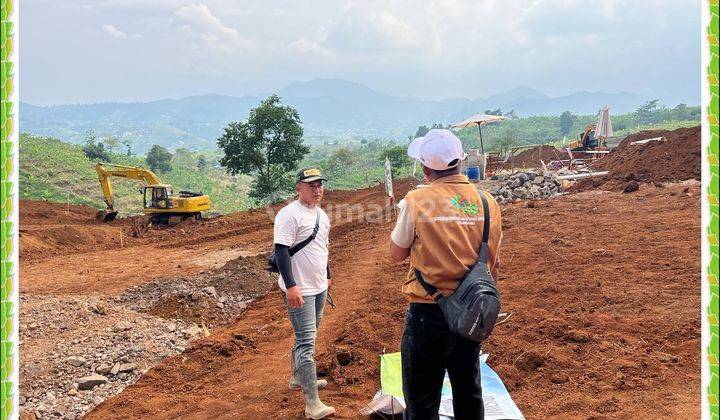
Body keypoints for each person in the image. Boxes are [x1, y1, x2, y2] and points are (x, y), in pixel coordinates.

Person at [389, 129, 503, 419]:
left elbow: (397, 253)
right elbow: (494, 262)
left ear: (426, 169)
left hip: (428, 313)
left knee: (422, 402)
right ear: (460, 162)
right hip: (473, 312)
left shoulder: (417, 201)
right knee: (469, 395)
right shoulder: (488, 202)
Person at [273, 167, 335, 419]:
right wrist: (291, 286)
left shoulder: (322, 215)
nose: (317, 189)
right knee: (307, 342)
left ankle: (298, 377)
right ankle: (312, 403)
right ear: (298, 188)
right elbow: (281, 251)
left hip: (318, 286)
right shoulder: (289, 215)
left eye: (320, 185)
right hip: (300, 289)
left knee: (306, 336)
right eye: (311, 185)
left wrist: (327, 275)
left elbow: (323, 247)